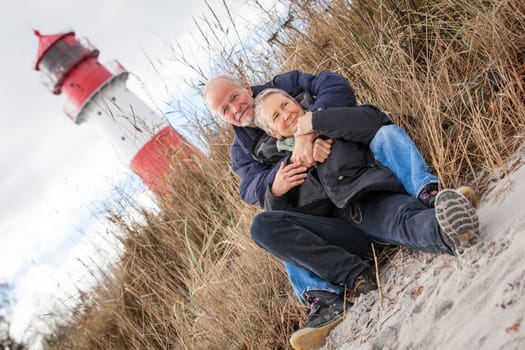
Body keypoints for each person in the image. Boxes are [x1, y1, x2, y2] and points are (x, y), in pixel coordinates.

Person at [203, 71, 441, 348]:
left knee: (402, 211)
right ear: (270, 133)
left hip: (361, 197)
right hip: (331, 223)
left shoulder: (288, 87)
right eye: (225, 109)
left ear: (245, 86)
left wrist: (310, 127)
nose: (235, 108)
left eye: (234, 97)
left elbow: (337, 87)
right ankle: (331, 291)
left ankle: (439, 211)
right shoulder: (244, 151)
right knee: (269, 223)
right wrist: (276, 182)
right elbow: (252, 189)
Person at [250, 88, 479, 348]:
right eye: (276, 116)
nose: (286, 114)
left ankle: (447, 227)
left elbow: (373, 120)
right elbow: (282, 224)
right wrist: (281, 187)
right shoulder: (283, 169)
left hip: (370, 206)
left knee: (402, 219)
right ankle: (353, 281)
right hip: (340, 238)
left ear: (296, 102)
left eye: (285, 104)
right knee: (262, 226)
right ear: (272, 133)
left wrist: (313, 126)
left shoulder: (329, 120)